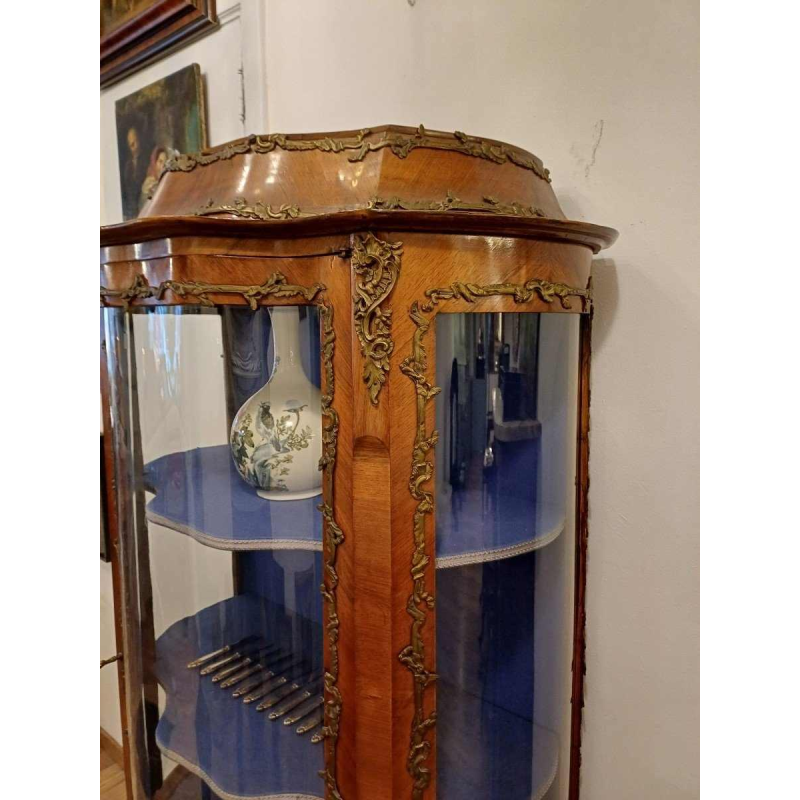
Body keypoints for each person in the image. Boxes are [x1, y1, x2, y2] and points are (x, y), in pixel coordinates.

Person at [121, 126, 147, 220]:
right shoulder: (128, 165)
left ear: (139, 140)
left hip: (144, 208)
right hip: (131, 211)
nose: (132, 145)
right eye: (130, 142)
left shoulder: (146, 160)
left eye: (134, 141)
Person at [140, 146, 168, 210]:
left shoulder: (167, 180)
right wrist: (145, 193)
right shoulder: (149, 183)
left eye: (165, 162)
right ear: (154, 162)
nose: (163, 166)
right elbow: (143, 208)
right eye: (160, 161)